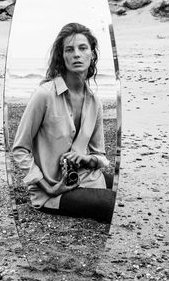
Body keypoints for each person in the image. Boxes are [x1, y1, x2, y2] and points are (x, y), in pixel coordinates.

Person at [12, 23, 115, 223]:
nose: (77, 54)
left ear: (92, 54)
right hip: (54, 192)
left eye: (82, 48)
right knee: (114, 204)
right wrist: (48, 187)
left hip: (87, 178)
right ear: (62, 56)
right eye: (69, 49)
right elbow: (19, 149)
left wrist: (85, 159)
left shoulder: (95, 102)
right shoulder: (44, 95)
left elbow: (100, 156)